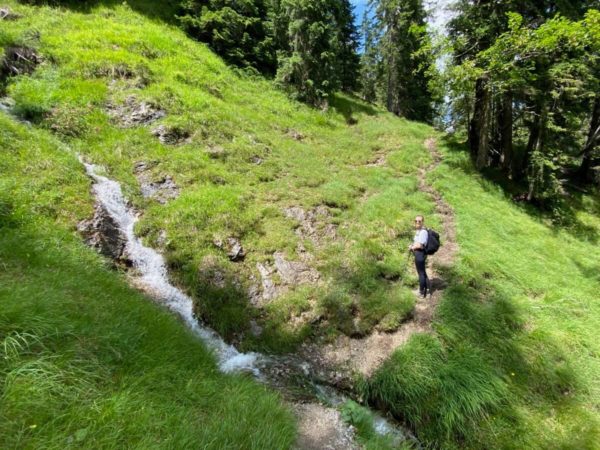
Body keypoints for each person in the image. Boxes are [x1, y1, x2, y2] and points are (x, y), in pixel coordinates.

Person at [409, 215, 429, 298]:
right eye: (416, 221)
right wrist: (412, 245)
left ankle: (421, 293)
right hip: (418, 254)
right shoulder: (418, 231)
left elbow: (420, 245)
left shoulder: (423, 232)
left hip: (420, 254)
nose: (417, 222)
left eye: (419, 221)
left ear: (422, 222)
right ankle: (427, 290)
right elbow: (417, 242)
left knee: (420, 273)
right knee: (423, 272)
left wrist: (412, 247)